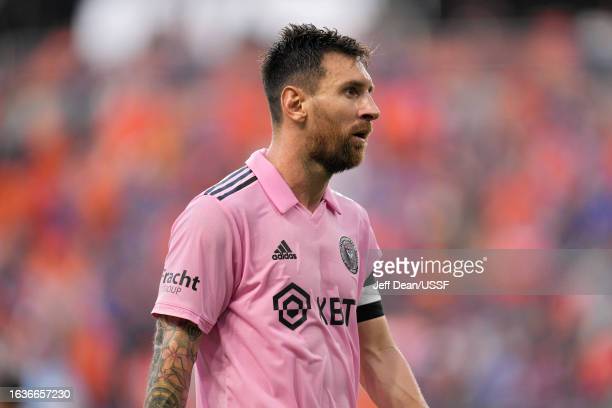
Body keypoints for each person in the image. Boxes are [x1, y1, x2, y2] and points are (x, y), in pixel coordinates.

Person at [144, 23, 428, 408]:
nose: (371, 110)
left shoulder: (354, 223)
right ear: (295, 104)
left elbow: (377, 354)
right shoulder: (219, 214)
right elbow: (171, 365)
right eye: (351, 92)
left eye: (369, 93)